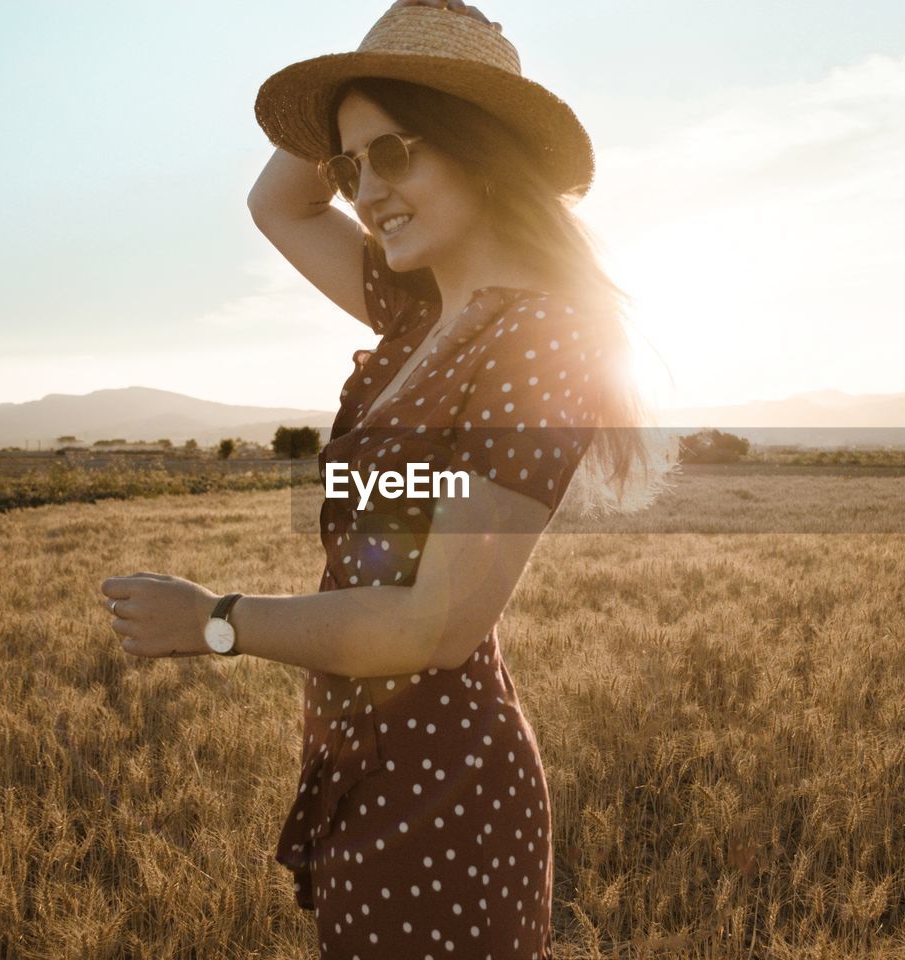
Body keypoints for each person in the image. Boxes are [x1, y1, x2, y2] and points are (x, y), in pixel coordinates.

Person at [102, 2, 668, 957]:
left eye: (396, 155)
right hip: (359, 766)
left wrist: (215, 621)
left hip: (446, 794)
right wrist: (366, 74)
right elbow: (279, 202)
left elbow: (433, 624)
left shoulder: (540, 342)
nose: (366, 191)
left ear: (483, 152)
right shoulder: (414, 315)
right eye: (350, 166)